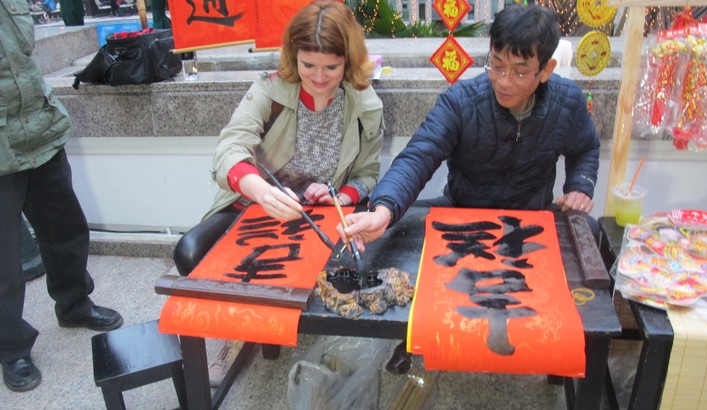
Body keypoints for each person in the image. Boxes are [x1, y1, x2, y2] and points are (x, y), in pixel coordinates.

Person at [339, 4, 600, 373]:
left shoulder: (567, 101)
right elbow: (419, 155)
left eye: (520, 71)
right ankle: (412, 331)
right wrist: (384, 209)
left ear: (546, 71)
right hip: (463, 212)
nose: (504, 81)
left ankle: (570, 343)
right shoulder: (463, 101)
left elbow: (586, 147)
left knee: (588, 231)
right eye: (496, 64)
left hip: (529, 218)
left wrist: (580, 185)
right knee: (395, 223)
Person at [172, 0, 384, 387]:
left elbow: (369, 173)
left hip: (318, 217)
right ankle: (229, 332)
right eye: (308, 65)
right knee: (191, 251)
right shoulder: (269, 90)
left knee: (352, 273)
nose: (319, 78)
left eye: (331, 67)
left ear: (348, 61)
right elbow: (230, 149)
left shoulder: (364, 103)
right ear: (293, 56)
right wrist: (258, 189)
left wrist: (341, 194)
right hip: (254, 209)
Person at [1, 0, 124, 392]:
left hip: (41, 132)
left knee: (66, 229)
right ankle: (10, 348)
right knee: (3, 261)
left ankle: (74, 304)